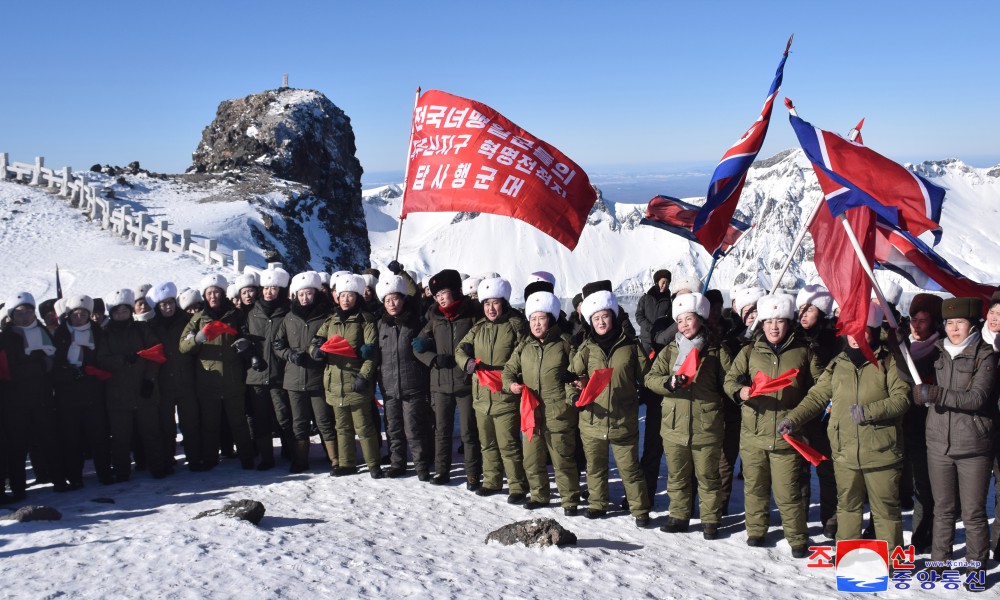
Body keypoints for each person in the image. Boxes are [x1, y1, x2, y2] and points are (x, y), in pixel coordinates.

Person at [782, 301, 911, 551]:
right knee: (847, 506)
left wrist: (869, 412)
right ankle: (847, 554)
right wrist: (792, 418)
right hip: (844, 451)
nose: (855, 336)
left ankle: (893, 560)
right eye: (850, 329)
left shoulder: (889, 361)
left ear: (872, 330)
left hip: (881, 451)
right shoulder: (838, 362)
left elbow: (902, 398)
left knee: (885, 509)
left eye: (861, 329)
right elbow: (817, 396)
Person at [724, 293, 821, 558]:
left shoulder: (804, 352)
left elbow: (820, 389)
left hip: (787, 434)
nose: (774, 327)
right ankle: (756, 531)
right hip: (753, 432)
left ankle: (797, 538)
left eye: (780, 321)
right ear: (761, 324)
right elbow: (730, 381)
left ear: (789, 323)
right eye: (768, 322)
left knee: (788, 491)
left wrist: (798, 416)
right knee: (754, 487)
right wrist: (740, 392)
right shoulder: (749, 351)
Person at [915, 296, 996, 572]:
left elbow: (977, 398)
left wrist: (935, 393)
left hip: (973, 445)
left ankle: (976, 565)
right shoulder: (936, 351)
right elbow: (908, 370)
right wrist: (897, 341)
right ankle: (939, 560)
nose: (954, 328)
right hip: (938, 443)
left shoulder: (985, 355)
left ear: (972, 325)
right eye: (949, 323)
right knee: (943, 509)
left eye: (960, 322)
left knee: (973, 513)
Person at [645, 292, 731, 538]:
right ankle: (679, 515)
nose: (684, 325)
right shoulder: (671, 350)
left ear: (701, 319)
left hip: (706, 425)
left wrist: (740, 390)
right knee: (678, 474)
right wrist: (669, 384)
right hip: (674, 425)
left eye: (689, 318)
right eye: (680, 320)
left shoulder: (715, 351)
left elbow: (729, 382)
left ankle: (710, 520)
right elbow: (651, 378)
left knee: (707, 476)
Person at [569, 290, 651, 526]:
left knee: (630, 468)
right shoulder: (586, 348)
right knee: (594, 467)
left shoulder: (630, 346)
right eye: (596, 318)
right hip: (592, 419)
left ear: (613, 316)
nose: (601, 322)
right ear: (590, 321)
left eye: (605, 316)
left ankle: (640, 509)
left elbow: (647, 376)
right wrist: (575, 395)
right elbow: (572, 377)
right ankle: (597, 503)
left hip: (622, 418)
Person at [504, 291, 582, 516]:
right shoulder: (525, 345)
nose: (537, 324)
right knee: (532, 458)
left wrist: (574, 389)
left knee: (562, 458)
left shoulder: (564, 345)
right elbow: (509, 369)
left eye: (541, 318)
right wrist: (511, 385)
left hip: (557, 411)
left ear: (551, 318)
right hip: (530, 411)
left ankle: (570, 499)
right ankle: (539, 495)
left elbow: (577, 372)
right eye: (533, 319)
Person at [456, 277, 529, 501]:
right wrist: (466, 362)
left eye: (494, 303)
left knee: (508, 444)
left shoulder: (515, 326)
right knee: (486, 443)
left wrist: (512, 374)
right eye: (486, 304)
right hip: (481, 395)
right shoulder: (479, 327)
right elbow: (460, 349)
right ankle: (492, 481)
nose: (490, 308)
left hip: (505, 394)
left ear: (504, 302)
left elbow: (524, 354)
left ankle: (517, 486)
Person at [413, 269, 483, 487]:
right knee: (441, 431)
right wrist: (433, 359)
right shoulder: (434, 318)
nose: (441, 298)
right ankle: (442, 471)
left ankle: (473, 474)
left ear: (455, 290)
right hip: (440, 383)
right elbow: (416, 346)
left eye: (443, 292)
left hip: (466, 383)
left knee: (469, 432)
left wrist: (472, 361)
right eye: (437, 295)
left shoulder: (471, 314)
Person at [179, 274, 254, 471]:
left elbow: (247, 334)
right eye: (209, 293)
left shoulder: (235, 315)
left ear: (222, 293)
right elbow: (183, 346)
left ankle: (247, 457)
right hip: (208, 381)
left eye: (216, 292)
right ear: (205, 295)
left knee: (238, 422)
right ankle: (210, 458)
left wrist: (246, 343)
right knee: (209, 424)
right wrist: (198, 338)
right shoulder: (197, 319)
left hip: (232, 378)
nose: (213, 296)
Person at [311, 273, 382, 478]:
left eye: (350, 295)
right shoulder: (331, 320)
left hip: (355, 380)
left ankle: (373, 464)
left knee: (364, 426)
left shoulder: (365, 321)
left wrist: (364, 376)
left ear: (357, 297)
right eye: (342, 295)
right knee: (341, 427)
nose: (345, 299)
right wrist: (315, 351)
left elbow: (372, 353)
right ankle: (346, 463)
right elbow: (316, 341)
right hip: (334, 381)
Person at [97, 289, 167, 481]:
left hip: (144, 390)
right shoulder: (105, 335)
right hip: (118, 393)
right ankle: (122, 470)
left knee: (151, 432)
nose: (122, 315)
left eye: (125, 311)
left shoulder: (142, 328)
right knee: (121, 437)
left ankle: (158, 466)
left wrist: (150, 379)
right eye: (117, 312)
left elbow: (156, 353)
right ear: (111, 314)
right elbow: (101, 360)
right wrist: (121, 360)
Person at [273, 271, 337, 473]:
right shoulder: (288, 318)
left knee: (324, 420)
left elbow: (336, 343)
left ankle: (335, 458)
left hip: (318, 379)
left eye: (308, 293)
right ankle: (300, 460)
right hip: (293, 379)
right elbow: (278, 343)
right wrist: (290, 355)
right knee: (298, 423)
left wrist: (323, 354)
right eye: (301, 294)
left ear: (316, 293)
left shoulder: (327, 316)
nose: (304, 298)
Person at [0, 292, 60, 500]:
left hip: (42, 397)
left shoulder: (43, 331)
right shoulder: (6, 337)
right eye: (19, 313)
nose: (24, 317)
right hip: (15, 402)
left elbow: (55, 360)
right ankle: (18, 488)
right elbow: (10, 371)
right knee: (18, 446)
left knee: (49, 441)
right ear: (11, 315)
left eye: (28, 312)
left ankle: (59, 480)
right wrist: (39, 363)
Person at [376, 272, 434, 480]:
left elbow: (427, 342)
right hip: (389, 386)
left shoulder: (415, 321)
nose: (392, 304)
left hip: (413, 384)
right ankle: (397, 464)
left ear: (403, 299)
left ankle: (421, 466)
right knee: (393, 428)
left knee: (414, 429)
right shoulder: (381, 325)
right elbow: (377, 352)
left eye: (395, 299)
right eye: (388, 300)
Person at [51, 294, 112, 488]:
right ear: (69, 315)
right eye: (75, 314)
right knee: (72, 437)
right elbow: (52, 366)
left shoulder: (98, 333)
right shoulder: (60, 335)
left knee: (99, 435)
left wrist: (94, 372)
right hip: (67, 395)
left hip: (93, 392)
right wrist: (69, 373)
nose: (79, 318)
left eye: (83, 314)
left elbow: (104, 359)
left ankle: (104, 472)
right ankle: (74, 475)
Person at [794, 283, 840, 539]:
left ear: (821, 310)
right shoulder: (794, 337)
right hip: (799, 410)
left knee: (826, 467)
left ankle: (830, 517)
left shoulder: (835, 339)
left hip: (825, 413)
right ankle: (798, 515)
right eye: (801, 308)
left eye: (809, 308)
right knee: (799, 467)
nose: (804, 313)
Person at [902, 292, 943, 554]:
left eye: (923, 321)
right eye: (913, 319)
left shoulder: (941, 352)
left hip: (927, 427)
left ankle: (922, 533)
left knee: (924, 484)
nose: (916, 325)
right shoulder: (901, 348)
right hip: (899, 423)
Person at [243, 268, 291, 470]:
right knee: (260, 417)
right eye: (266, 288)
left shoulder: (288, 311)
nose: (269, 292)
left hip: (280, 373)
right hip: (256, 374)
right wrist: (250, 354)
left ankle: (290, 451)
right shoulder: (252, 312)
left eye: (274, 288)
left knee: (283, 415)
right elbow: (242, 336)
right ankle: (266, 457)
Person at [146, 281, 197, 471]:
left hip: (186, 379)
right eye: (163, 304)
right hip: (163, 382)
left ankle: (195, 457)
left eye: (170, 303)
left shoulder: (186, 321)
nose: (168, 307)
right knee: (165, 425)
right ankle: (166, 460)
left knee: (190, 422)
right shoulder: (151, 326)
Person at [635, 269, 672, 355]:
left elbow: (669, 320)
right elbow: (639, 316)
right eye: (663, 282)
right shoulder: (645, 298)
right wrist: (651, 328)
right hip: (646, 339)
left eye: (667, 283)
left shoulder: (668, 301)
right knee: (644, 363)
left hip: (661, 340)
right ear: (657, 282)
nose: (665, 285)